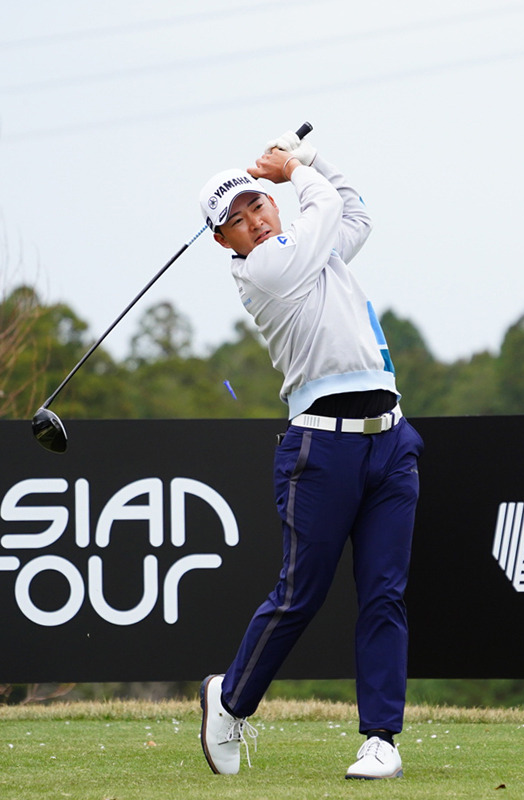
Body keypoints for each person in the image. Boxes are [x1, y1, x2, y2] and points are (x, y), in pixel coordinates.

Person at [196, 129, 423, 780]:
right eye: (235, 221)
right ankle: (231, 700)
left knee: (385, 593)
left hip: (391, 439)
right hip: (320, 447)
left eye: (256, 206)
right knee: (301, 594)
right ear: (224, 243)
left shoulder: (313, 251)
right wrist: (295, 168)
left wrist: (315, 162)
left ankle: (381, 738)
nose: (254, 223)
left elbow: (354, 213)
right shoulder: (265, 269)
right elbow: (322, 212)